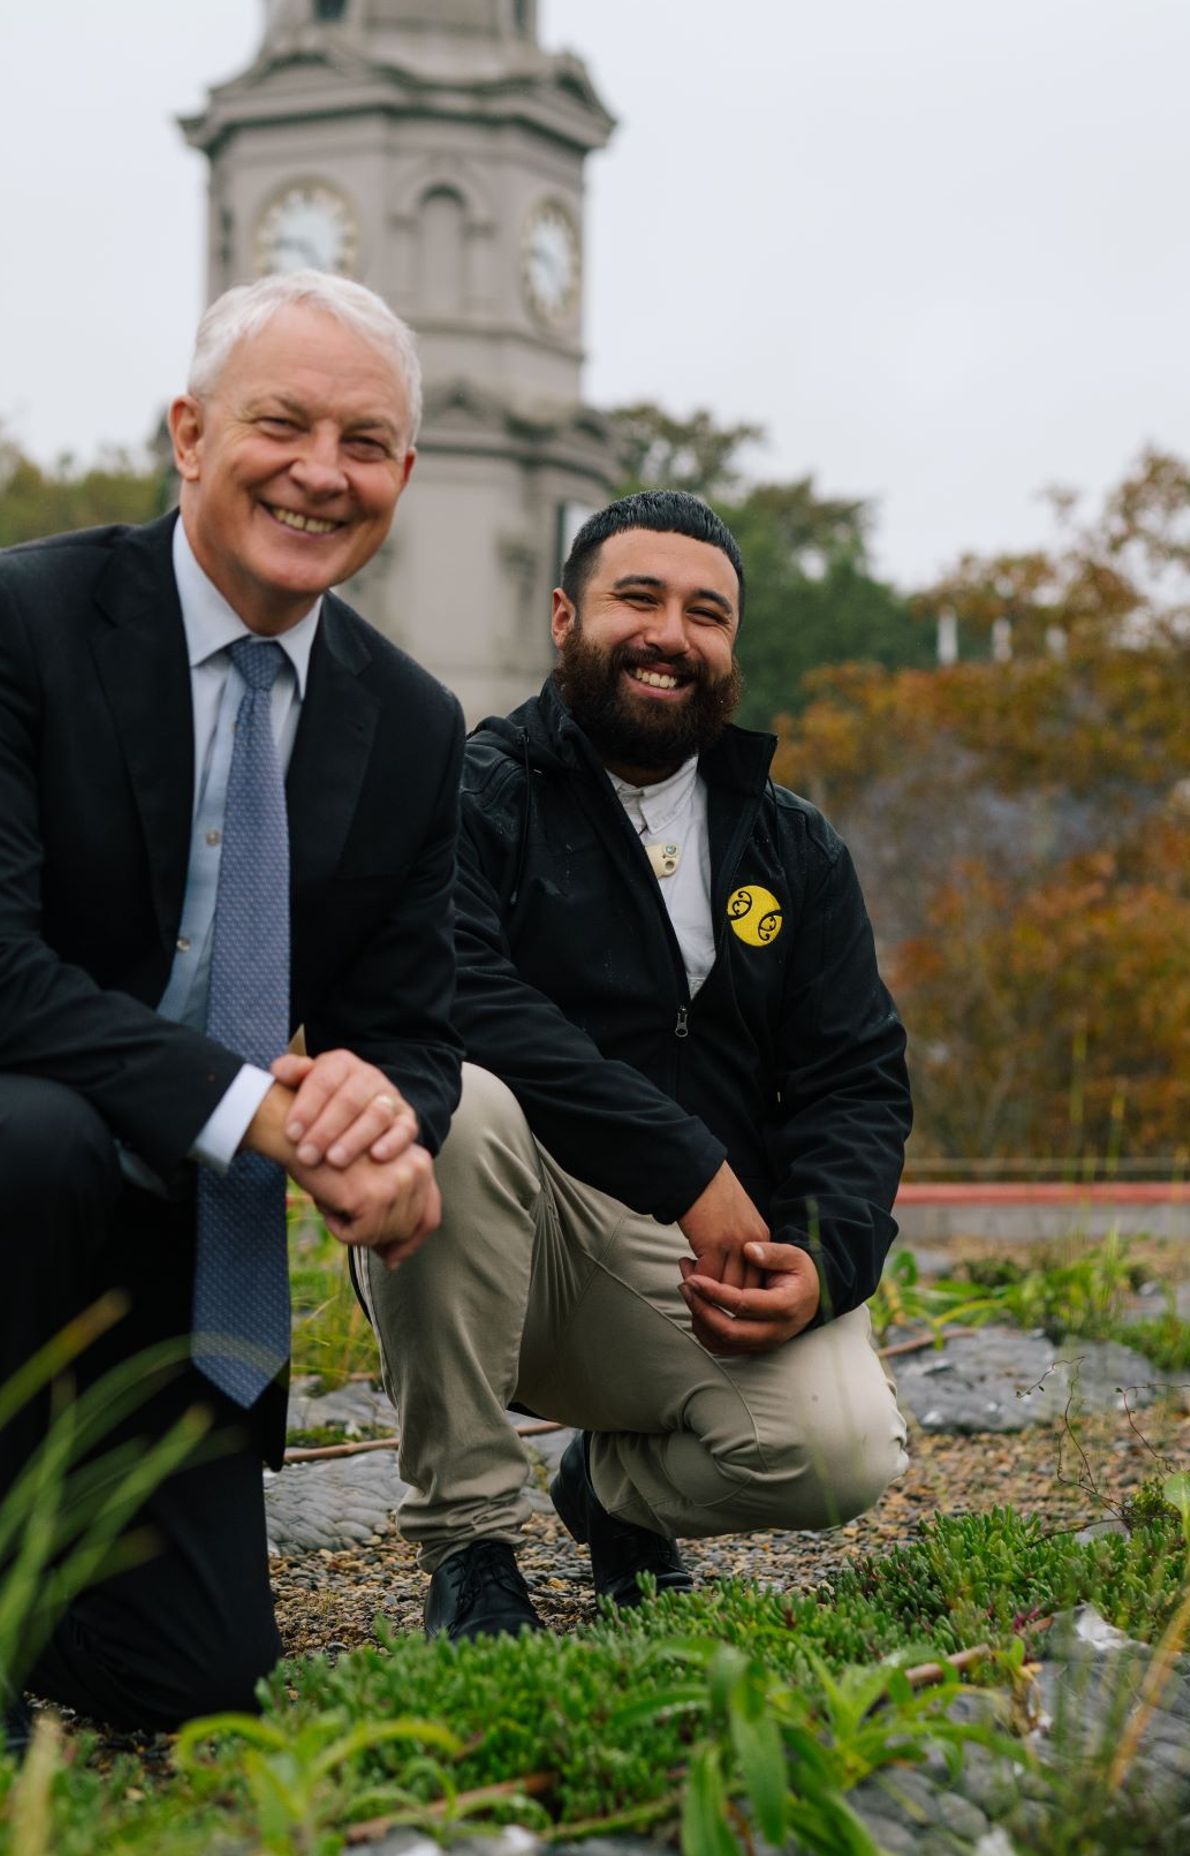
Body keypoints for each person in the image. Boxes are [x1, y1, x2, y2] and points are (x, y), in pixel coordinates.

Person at [0, 270, 464, 1728]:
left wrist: (393, 1120)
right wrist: (262, 1112)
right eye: (283, 424)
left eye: (366, 443)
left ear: (402, 476)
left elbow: (410, 1022)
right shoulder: (12, 619)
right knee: (35, 1140)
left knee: (188, 1683)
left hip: (173, 1182)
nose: (323, 473)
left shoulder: (412, 721)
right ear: (189, 434)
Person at [357, 489, 913, 1639]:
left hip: (692, 1273)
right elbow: (455, 997)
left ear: (730, 650)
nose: (670, 632)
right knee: (453, 1107)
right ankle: (471, 1543)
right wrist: (690, 1166)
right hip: (506, 1239)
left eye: (706, 612)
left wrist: (816, 1252)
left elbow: (855, 1080)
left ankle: (602, 1488)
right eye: (637, 598)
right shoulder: (476, 791)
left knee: (841, 1454)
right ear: (564, 616)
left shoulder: (794, 846)